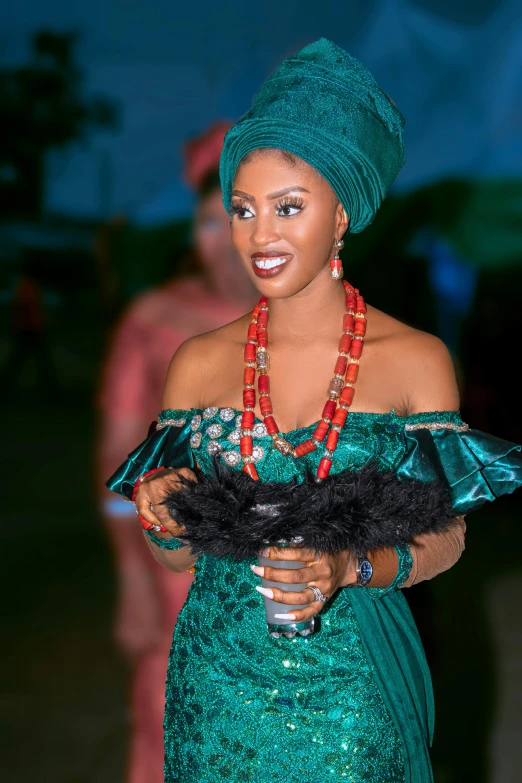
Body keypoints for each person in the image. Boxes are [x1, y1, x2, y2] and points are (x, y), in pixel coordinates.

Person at [107, 40, 522, 782]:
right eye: (243, 209)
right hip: (216, 690)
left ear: (341, 215)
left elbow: (447, 538)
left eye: (287, 208)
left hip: (354, 693)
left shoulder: (415, 358)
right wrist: (159, 511)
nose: (258, 236)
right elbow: (177, 553)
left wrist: (347, 565)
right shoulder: (197, 363)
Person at [98, 122, 255, 783]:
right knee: (176, 712)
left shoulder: (335, 326)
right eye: (208, 222)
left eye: (240, 219)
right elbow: (118, 456)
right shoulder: (155, 318)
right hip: (180, 563)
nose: (223, 242)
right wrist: (132, 580)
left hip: (298, 563)